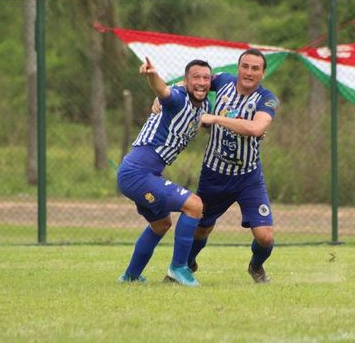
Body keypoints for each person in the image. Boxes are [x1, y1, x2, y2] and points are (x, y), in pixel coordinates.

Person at [154, 48, 279, 283]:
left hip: (248, 178)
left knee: (265, 236)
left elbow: (256, 129)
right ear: (238, 68)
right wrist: (165, 95)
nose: (249, 72)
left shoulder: (266, 98)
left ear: (263, 73)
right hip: (214, 175)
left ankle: (256, 266)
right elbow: (193, 82)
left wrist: (216, 118)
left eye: (255, 69)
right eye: (245, 66)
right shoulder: (222, 81)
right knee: (201, 229)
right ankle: (184, 267)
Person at [117, 57, 211, 287]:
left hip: (144, 173)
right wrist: (152, 75)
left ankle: (130, 276)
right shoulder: (178, 99)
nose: (201, 82)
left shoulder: (206, 106)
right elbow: (164, 90)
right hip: (137, 173)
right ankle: (179, 268)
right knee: (195, 205)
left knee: (161, 224)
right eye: (195, 78)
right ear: (185, 82)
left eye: (206, 78)